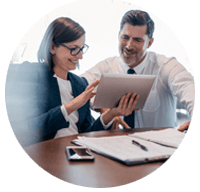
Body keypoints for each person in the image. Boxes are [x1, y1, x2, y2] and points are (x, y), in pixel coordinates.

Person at [7, 17, 139, 147]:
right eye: (74, 48)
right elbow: (23, 130)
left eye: (82, 49)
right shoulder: (32, 73)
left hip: (76, 152)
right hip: (45, 153)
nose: (80, 56)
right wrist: (72, 105)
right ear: (52, 47)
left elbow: (87, 134)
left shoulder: (80, 83)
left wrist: (111, 114)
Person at [81, 10, 195, 132]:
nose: (129, 46)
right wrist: (103, 108)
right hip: (117, 146)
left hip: (159, 147)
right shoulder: (106, 67)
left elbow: (189, 90)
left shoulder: (166, 66)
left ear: (149, 43)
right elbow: (77, 89)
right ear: (118, 35)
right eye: (125, 37)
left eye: (137, 40)